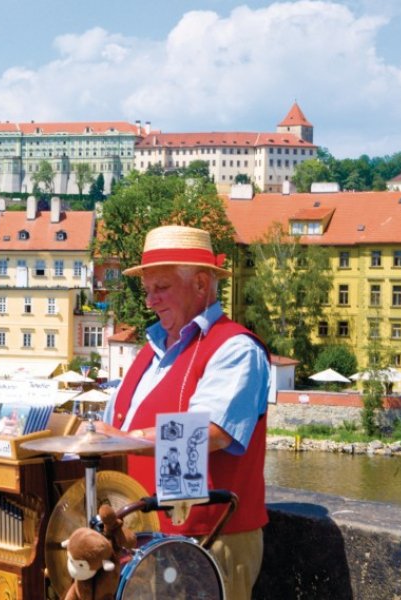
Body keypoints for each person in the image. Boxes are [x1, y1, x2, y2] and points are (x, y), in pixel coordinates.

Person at [98, 225, 270, 600]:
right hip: (146, 538)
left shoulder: (235, 348)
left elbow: (211, 433)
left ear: (201, 284)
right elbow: (116, 423)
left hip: (210, 538)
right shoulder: (150, 350)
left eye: (161, 288)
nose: (150, 300)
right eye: (147, 290)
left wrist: (114, 439)